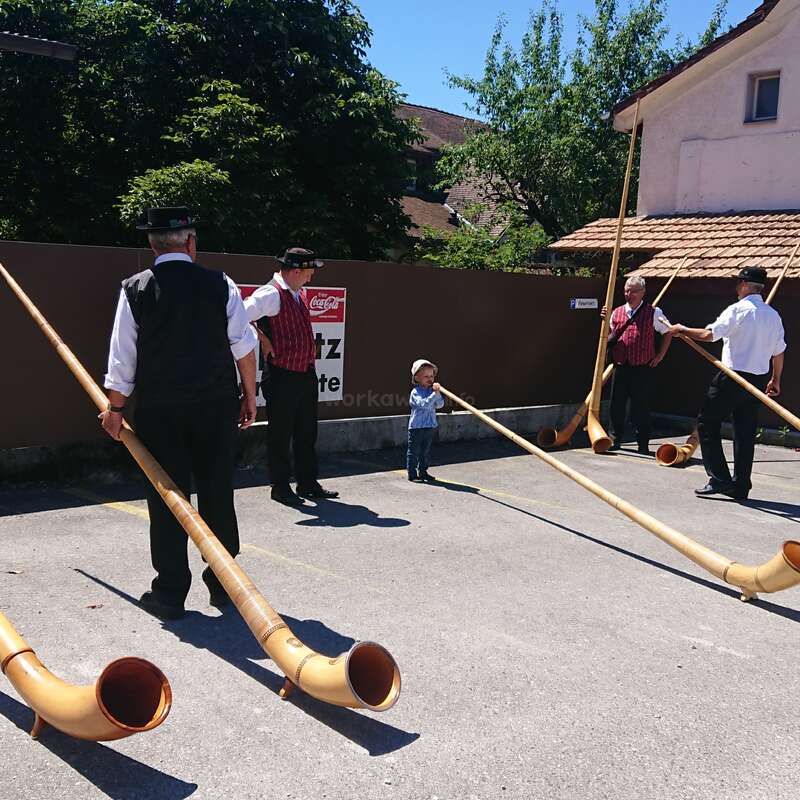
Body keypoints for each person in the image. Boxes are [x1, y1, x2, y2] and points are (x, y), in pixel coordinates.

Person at [100, 207, 258, 620]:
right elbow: (244, 346)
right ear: (191, 243)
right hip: (215, 407)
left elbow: (122, 359)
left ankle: (169, 593)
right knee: (217, 491)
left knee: (167, 496)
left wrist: (115, 409)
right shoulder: (220, 284)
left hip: (161, 411)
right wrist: (249, 395)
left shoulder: (135, 288)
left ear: (152, 245)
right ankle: (225, 585)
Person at [663, 266, 786, 501]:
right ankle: (740, 486)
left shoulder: (737, 310)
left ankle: (719, 479)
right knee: (744, 432)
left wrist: (682, 330)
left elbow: (710, 335)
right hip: (758, 380)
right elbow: (779, 352)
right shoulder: (773, 315)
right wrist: (776, 379)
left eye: (738, 283)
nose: (736, 287)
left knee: (707, 423)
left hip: (733, 378)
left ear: (744, 285)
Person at [243, 247, 339, 507]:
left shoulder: (298, 292)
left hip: (305, 373)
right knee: (280, 433)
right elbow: (239, 314)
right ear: (296, 271)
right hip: (282, 374)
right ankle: (280, 486)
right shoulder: (270, 293)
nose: (311, 276)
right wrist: (262, 338)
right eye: (309, 272)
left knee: (307, 431)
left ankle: (307, 482)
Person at [601, 276, 673, 454]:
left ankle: (643, 443)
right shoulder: (616, 312)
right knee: (616, 405)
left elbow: (668, 332)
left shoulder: (653, 312)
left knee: (641, 407)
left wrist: (660, 356)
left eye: (633, 291)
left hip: (642, 367)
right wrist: (604, 319)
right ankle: (614, 439)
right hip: (620, 365)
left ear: (642, 293)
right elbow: (609, 336)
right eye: (626, 290)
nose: (629, 294)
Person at [408, 359, 444, 482]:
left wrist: (437, 394)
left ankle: (423, 472)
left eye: (432, 376)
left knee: (424, 451)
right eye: (426, 376)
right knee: (414, 451)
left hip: (429, 426)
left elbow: (440, 404)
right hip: (416, 427)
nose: (430, 379)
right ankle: (412, 474)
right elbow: (424, 405)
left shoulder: (432, 391)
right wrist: (434, 395)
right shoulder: (415, 392)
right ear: (417, 378)